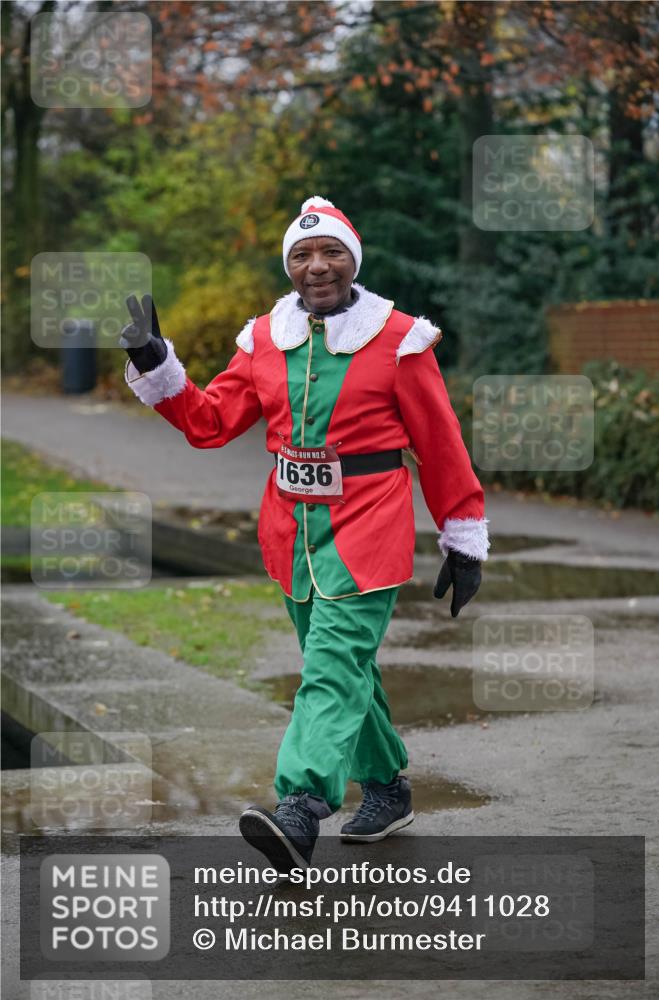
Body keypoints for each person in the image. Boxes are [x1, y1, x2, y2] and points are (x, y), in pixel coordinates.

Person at [120, 196, 489, 874]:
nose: (316, 266)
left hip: (369, 526)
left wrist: (461, 534)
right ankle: (386, 788)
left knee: (329, 667)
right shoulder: (264, 337)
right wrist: (155, 359)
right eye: (301, 255)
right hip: (290, 532)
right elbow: (210, 422)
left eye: (330, 253)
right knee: (346, 671)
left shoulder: (398, 338)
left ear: (353, 260)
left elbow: (439, 444)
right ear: (288, 266)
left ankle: (299, 807)